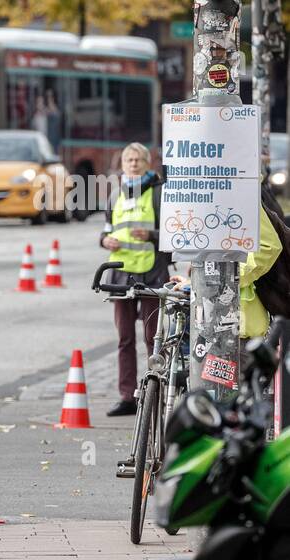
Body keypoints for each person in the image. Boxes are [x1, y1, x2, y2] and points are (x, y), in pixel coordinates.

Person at [100, 142, 168, 417]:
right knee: (124, 339)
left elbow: (175, 233)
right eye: (128, 159)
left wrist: (151, 235)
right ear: (122, 164)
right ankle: (127, 396)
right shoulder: (115, 194)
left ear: (147, 163)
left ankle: (158, 394)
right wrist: (105, 241)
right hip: (121, 275)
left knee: (154, 338)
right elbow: (105, 231)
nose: (133, 164)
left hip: (152, 273)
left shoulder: (158, 193)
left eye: (138, 159)